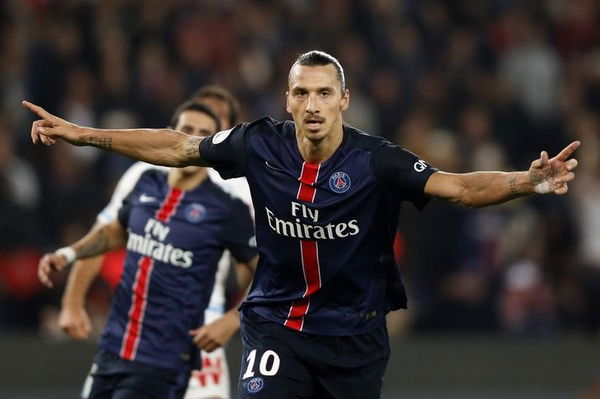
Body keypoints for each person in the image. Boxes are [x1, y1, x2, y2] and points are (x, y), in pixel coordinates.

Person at [25, 50, 580, 399]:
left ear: (344, 100)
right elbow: (178, 145)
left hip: (355, 335)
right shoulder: (257, 143)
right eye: (301, 92)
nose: (312, 104)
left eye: (323, 92)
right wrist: (84, 133)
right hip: (276, 327)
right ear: (287, 100)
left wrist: (525, 182)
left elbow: (458, 187)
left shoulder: (377, 161)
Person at [36, 100, 258, 399]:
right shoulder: (144, 179)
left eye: (203, 134)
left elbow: (267, 270)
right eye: (187, 130)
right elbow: (113, 231)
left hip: (172, 354)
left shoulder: (229, 206)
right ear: (170, 133)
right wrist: (69, 255)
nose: (192, 139)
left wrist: (234, 319)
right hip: (115, 347)